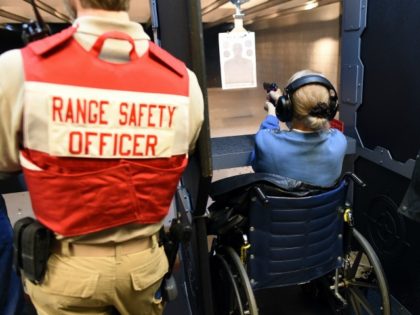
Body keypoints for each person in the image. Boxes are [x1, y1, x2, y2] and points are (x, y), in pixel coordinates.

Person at [0, 0, 204, 314]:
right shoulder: (183, 80)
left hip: (67, 270)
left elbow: (4, 161)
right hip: (144, 268)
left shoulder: (17, 69)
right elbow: (182, 151)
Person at [251, 70, 347, 187]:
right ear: (331, 107)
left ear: (288, 108)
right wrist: (280, 101)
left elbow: (256, 163)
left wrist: (272, 112)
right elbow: (307, 124)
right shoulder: (339, 140)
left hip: (282, 205)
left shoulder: (265, 141)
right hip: (325, 204)